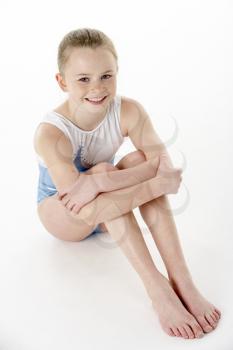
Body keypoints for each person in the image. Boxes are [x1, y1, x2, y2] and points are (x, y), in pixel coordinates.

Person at [33, 27, 221, 340]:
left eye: (106, 75)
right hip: (63, 213)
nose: (97, 87)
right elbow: (83, 201)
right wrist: (125, 181)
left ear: (117, 72)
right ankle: (157, 289)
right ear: (62, 81)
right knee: (107, 178)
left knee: (131, 163)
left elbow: (165, 168)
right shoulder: (50, 133)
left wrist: (105, 181)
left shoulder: (128, 110)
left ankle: (182, 279)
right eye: (83, 79)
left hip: (106, 204)